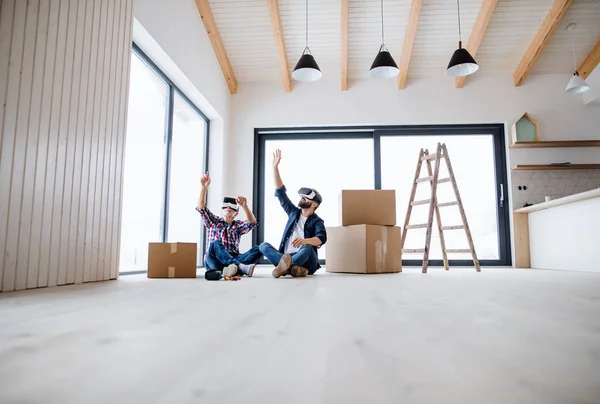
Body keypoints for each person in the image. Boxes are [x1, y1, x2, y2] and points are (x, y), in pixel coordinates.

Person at [259, 149, 327, 278]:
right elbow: (281, 193)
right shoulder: (293, 212)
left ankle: (285, 267)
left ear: (314, 205)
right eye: (301, 196)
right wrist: (275, 167)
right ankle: (293, 269)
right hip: (286, 255)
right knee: (263, 246)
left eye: (305, 198)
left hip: (307, 259)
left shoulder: (317, 221)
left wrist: (304, 241)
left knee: (307, 247)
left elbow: (321, 239)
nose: (302, 198)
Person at [197, 172, 262, 280]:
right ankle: (240, 267)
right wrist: (204, 188)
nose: (228, 207)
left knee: (258, 249)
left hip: (234, 256)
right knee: (215, 243)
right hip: (215, 259)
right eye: (225, 206)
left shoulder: (237, 226)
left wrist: (245, 206)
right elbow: (201, 208)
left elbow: (252, 223)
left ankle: (231, 269)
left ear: (235, 213)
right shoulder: (214, 221)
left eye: (231, 207)